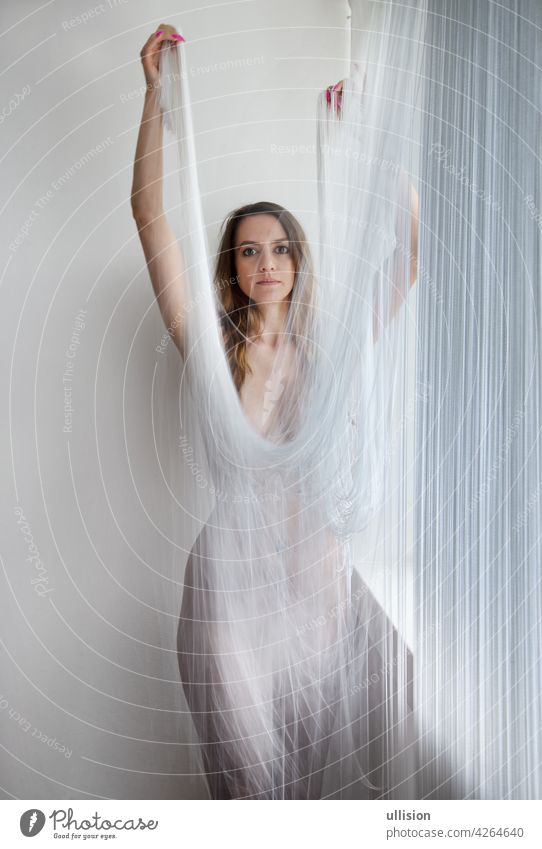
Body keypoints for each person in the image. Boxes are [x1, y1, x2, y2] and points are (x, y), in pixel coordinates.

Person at [131, 24, 418, 799]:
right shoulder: (208, 348)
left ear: (298, 261)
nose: (267, 263)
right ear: (232, 268)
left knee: (365, 735)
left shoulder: (330, 353)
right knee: (251, 782)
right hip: (230, 591)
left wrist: (378, 144)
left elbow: (410, 252)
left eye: (281, 247)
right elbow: (152, 218)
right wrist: (157, 96)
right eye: (250, 251)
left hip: (316, 586)